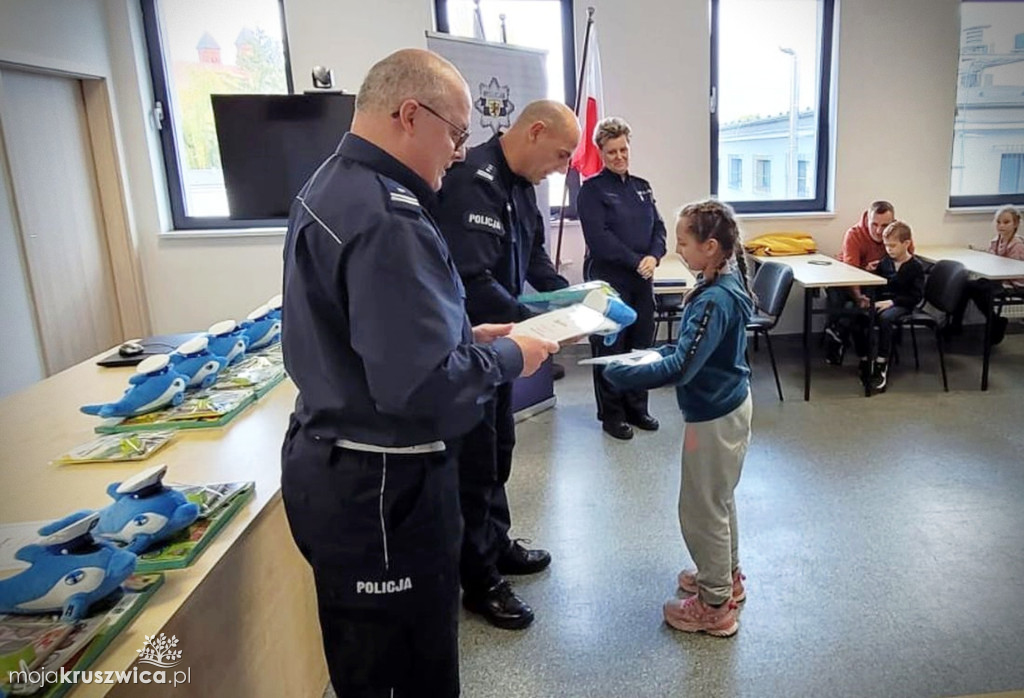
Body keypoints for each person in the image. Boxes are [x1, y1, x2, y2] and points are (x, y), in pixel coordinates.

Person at [279, 49, 558, 697]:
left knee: (365, 661)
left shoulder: (332, 181)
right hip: (384, 488)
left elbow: (366, 332)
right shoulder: (388, 216)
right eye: (457, 133)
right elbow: (426, 391)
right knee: (406, 672)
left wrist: (465, 336)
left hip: (332, 467)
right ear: (410, 114)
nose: (460, 152)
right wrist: (514, 354)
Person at [433, 100, 580, 630]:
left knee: (498, 450)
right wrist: (534, 326)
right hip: (471, 346)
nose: (563, 167)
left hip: (500, 347)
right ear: (535, 132)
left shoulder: (520, 189)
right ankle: (479, 580)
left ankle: (496, 545)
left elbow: (536, 260)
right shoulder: (474, 180)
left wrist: (573, 301)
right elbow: (473, 281)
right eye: (562, 154)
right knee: (473, 466)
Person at [602, 199, 753, 637]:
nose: (678, 251)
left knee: (701, 511)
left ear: (710, 247)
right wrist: (652, 355)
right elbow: (689, 350)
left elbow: (682, 366)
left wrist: (622, 372)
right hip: (726, 406)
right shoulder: (721, 280)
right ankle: (727, 579)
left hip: (715, 416)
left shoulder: (714, 299)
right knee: (719, 501)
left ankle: (713, 605)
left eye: (684, 243)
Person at [577, 116, 667, 441]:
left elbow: (659, 229)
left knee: (641, 346)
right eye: (612, 151)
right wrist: (636, 261)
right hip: (610, 283)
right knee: (611, 348)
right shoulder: (592, 190)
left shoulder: (642, 187)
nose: (619, 156)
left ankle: (637, 408)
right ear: (601, 152)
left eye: (623, 149)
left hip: (643, 281)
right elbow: (600, 240)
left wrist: (654, 257)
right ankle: (612, 415)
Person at [849, 221, 925, 392]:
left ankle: (882, 363)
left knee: (885, 319)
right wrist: (868, 296)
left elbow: (916, 296)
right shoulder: (885, 263)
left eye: (892, 245)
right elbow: (879, 286)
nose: (889, 249)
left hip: (902, 304)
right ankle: (865, 358)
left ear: (906, 243)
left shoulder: (915, 267)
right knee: (857, 316)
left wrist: (893, 302)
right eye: (886, 245)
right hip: (883, 301)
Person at [824, 200, 897, 365]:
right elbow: (851, 272)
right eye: (874, 224)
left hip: (881, 286)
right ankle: (851, 346)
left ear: (892, 223)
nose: (879, 231)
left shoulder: (899, 234)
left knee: (852, 311)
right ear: (867, 220)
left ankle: (838, 334)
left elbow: (907, 264)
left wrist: (885, 266)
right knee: (841, 298)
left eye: (884, 226)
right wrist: (858, 297)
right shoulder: (854, 234)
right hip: (851, 280)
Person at [946, 205, 1024, 345]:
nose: (1001, 226)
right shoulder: (996, 241)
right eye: (999, 222)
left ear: (1016, 224)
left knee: (977, 289)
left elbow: (1012, 270)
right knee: (964, 285)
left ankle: (994, 321)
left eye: (1006, 222)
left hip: (1012, 283)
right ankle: (956, 324)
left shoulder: (1017, 245)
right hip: (996, 279)